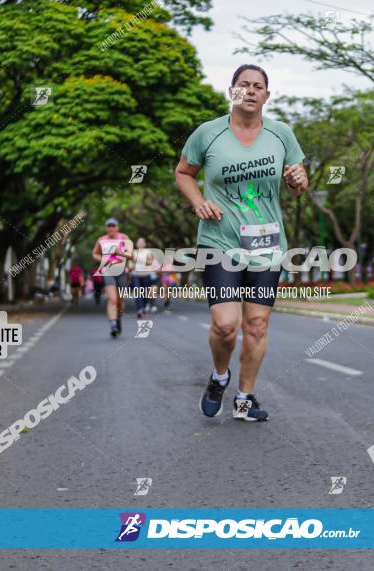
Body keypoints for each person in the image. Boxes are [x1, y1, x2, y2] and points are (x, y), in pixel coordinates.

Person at [174, 64, 308, 422]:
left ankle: (245, 399)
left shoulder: (281, 134)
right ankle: (220, 376)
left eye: (258, 86)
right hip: (220, 241)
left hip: (266, 245)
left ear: (267, 95)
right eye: (243, 85)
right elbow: (184, 173)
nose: (250, 91)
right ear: (231, 91)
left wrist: (297, 178)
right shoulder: (208, 133)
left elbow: (298, 186)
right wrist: (197, 201)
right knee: (225, 325)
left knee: (257, 326)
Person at [92, 218, 133, 338]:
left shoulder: (124, 238)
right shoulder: (101, 240)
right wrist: (103, 259)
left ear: (117, 227)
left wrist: (120, 253)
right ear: (106, 228)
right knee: (112, 299)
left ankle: (118, 318)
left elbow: (132, 256)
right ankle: (113, 324)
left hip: (122, 272)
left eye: (113, 226)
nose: (111, 228)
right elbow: (94, 253)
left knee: (120, 300)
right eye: (109, 226)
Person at [131, 237, 154, 319]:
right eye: (139, 242)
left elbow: (149, 263)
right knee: (137, 292)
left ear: (144, 244)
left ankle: (144, 307)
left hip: (146, 275)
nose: (140, 244)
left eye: (142, 242)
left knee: (145, 294)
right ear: (136, 244)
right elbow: (130, 263)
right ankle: (139, 309)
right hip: (135, 275)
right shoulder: (133, 252)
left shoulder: (148, 252)